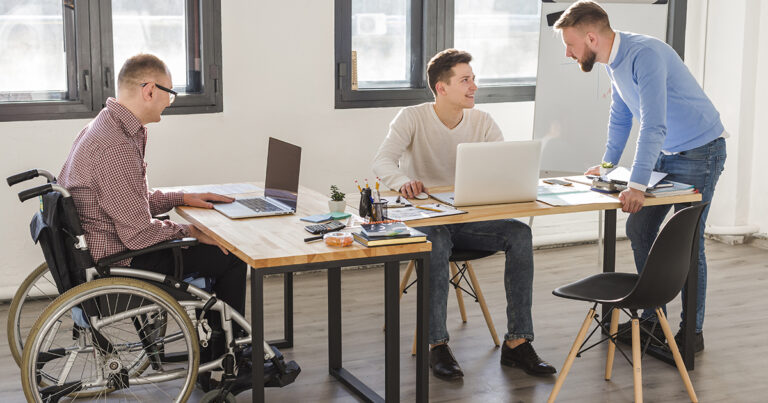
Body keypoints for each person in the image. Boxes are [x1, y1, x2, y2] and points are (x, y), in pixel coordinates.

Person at [554, 0, 727, 352]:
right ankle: (652, 319)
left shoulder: (644, 54)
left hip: (701, 150)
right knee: (641, 228)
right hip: (667, 152)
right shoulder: (612, 61)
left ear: (590, 38)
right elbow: (621, 117)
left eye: (570, 46)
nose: (569, 54)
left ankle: (691, 333)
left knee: (689, 241)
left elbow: (653, 123)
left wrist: (635, 184)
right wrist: (605, 170)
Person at [372, 49, 556, 380]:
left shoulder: (483, 121)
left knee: (519, 233)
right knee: (437, 243)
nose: (474, 86)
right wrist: (403, 182)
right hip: (428, 221)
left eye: (473, 79)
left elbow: (503, 168)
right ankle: (437, 346)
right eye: (465, 80)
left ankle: (517, 343)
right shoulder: (411, 117)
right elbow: (382, 161)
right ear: (442, 88)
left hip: (469, 220)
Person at [58, 53, 248, 358]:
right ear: (149, 90)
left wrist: (181, 198)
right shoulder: (116, 145)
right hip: (123, 264)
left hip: (104, 253)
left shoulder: (103, 128)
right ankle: (230, 356)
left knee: (209, 248)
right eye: (169, 94)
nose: (169, 103)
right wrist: (192, 232)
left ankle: (216, 348)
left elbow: (130, 201)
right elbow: (139, 234)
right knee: (229, 256)